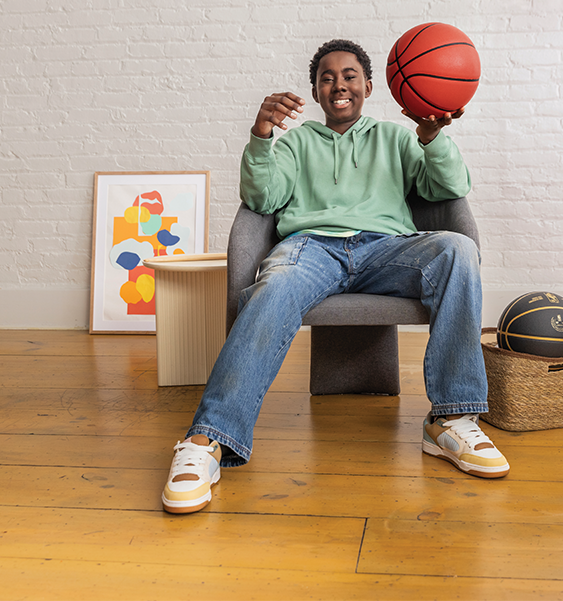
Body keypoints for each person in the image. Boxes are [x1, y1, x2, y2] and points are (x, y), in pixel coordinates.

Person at [162, 38, 508, 514]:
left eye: (349, 76)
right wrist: (262, 135)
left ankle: (450, 422)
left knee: (457, 249)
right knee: (273, 285)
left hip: (385, 249)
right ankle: (207, 439)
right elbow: (262, 199)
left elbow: (447, 189)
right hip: (311, 249)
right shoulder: (298, 142)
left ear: (369, 85)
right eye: (327, 77)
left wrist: (431, 138)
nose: (338, 84)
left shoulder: (397, 137)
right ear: (316, 91)